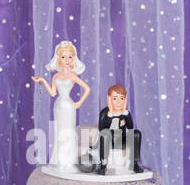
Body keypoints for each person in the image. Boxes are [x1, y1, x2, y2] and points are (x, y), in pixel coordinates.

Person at [32, 41, 90, 170]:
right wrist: (42, 80)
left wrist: (79, 102)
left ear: (73, 58)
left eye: (70, 57)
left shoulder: (73, 76)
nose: (67, 60)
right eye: (63, 57)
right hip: (58, 106)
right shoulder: (56, 76)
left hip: (69, 106)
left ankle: (69, 162)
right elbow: (53, 93)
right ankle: (59, 161)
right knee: (59, 131)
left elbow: (87, 89)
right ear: (58, 58)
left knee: (68, 131)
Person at [98, 83, 143, 174]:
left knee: (136, 133)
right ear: (110, 99)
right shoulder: (105, 113)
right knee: (105, 134)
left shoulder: (125, 113)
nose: (118, 102)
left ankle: (134, 163)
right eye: (115, 98)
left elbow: (130, 127)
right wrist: (111, 118)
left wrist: (126, 115)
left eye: (121, 98)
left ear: (125, 99)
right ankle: (103, 164)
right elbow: (101, 129)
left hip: (121, 140)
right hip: (109, 141)